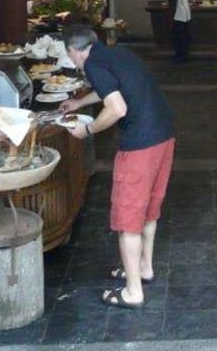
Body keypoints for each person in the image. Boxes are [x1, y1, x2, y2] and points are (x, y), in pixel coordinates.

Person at [59, 25, 175, 309]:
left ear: (73, 51)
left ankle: (133, 292)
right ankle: (144, 267)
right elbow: (110, 89)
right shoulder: (118, 53)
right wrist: (78, 102)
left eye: (70, 56)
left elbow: (117, 108)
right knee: (149, 210)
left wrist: (87, 131)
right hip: (164, 135)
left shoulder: (92, 65)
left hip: (139, 145)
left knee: (128, 221)